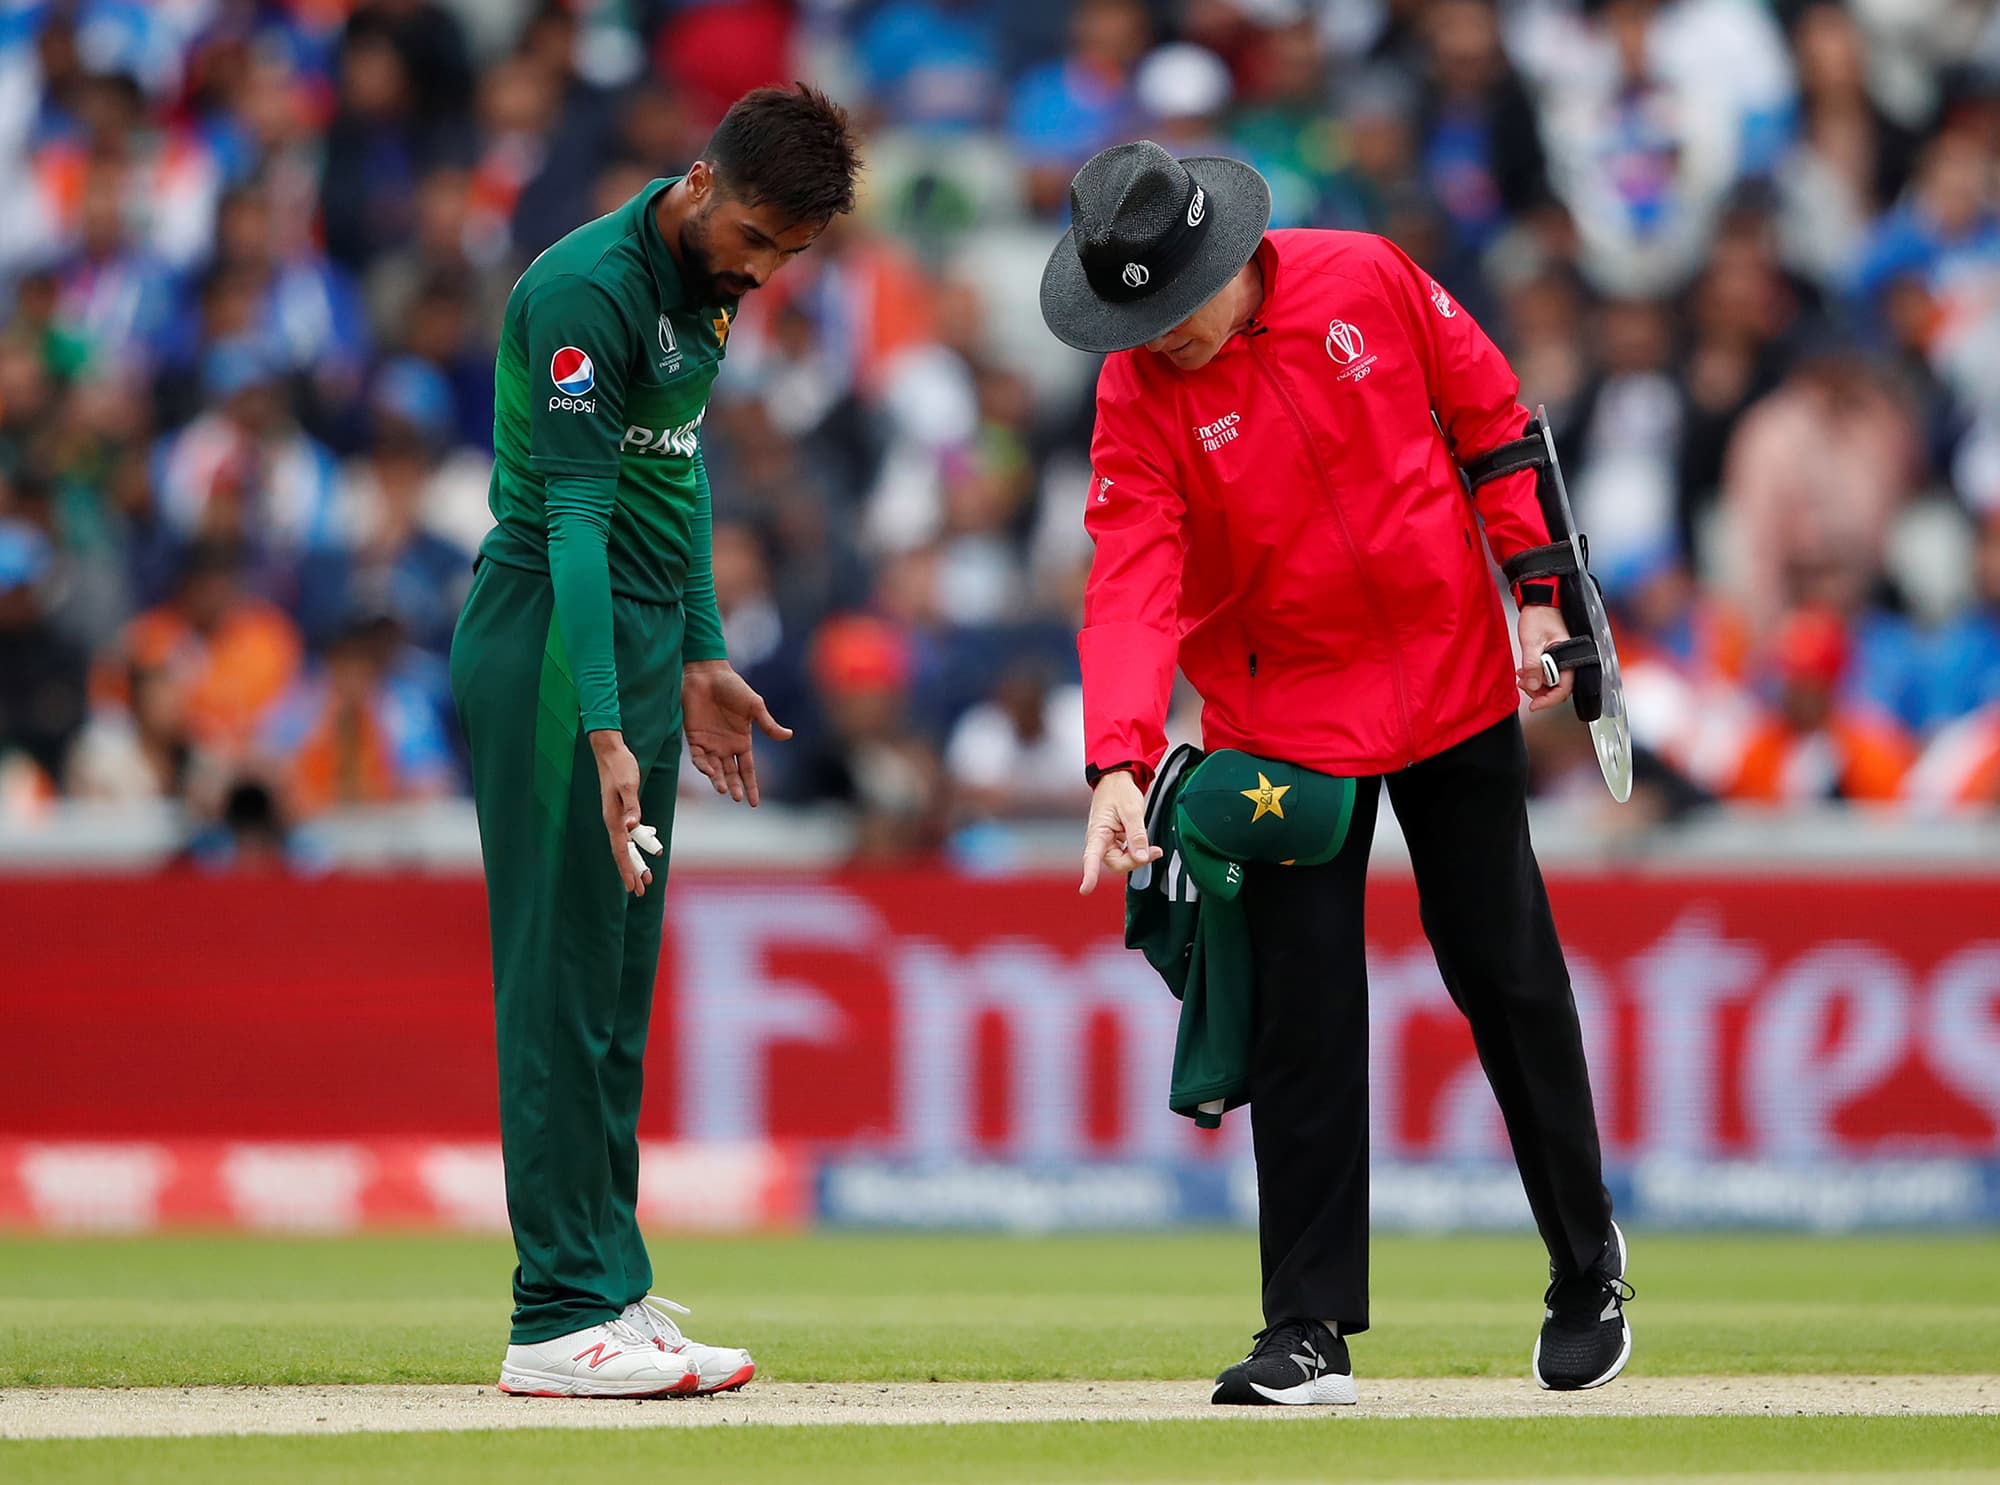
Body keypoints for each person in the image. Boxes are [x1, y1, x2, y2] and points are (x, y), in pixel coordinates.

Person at [1040, 140, 1629, 1404]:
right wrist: (1115, 761)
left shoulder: (1365, 276)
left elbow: (1493, 420)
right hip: (1282, 719)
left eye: (1166, 305)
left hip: (1452, 669)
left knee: (1505, 972)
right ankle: (1305, 1329)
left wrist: (1538, 593)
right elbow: (1128, 576)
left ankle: (1585, 1267)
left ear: (1223, 257)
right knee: (1302, 1012)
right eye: (1128, 317)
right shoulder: (1139, 389)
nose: (1153, 337)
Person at [449, 85, 860, 1400]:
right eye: (756, 238)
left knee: (618, 982)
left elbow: (672, 470)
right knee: (559, 975)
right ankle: (553, 1316)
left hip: (634, 638)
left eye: (788, 254)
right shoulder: (589, 291)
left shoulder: (709, 287)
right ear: (698, 182)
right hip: (548, 640)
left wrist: (699, 650)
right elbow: (572, 518)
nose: (764, 269)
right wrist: (603, 722)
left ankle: (610, 1285)